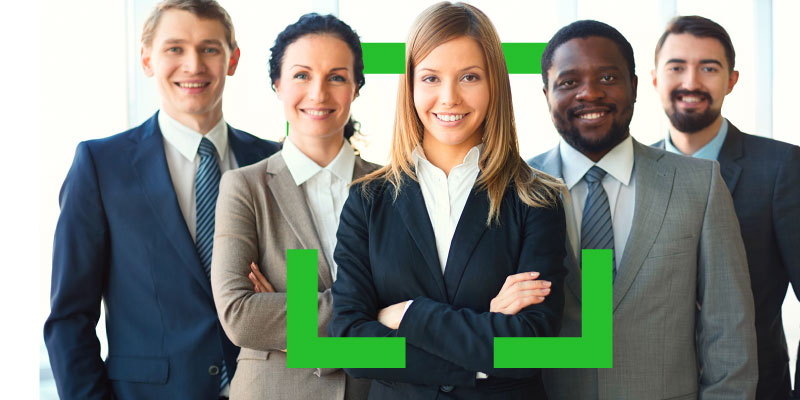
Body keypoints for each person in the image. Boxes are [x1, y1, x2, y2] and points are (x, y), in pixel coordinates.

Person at [328, 2, 567, 399]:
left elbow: (528, 348)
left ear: (494, 84)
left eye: (469, 77)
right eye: (431, 78)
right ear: (410, 86)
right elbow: (354, 347)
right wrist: (483, 343)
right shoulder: (367, 201)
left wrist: (408, 314)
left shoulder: (536, 198)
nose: (449, 97)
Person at [43, 1, 280, 399]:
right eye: (175, 48)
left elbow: (306, 291)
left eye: (209, 48)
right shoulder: (101, 166)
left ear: (233, 59)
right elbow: (69, 319)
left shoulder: (274, 161)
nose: (193, 65)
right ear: (147, 59)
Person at [527, 20, 757, 399]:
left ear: (634, 86)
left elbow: (728, 327)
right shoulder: (514, 188)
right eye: (568, 82)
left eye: (607, 77)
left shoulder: (699, 183)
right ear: (546, 94)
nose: (590, 93)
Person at [210, 13, 375, 400]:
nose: (318, 93)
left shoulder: (390, 187)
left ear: (356, 88)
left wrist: (293, 328)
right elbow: (239, 315)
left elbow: (415, 309)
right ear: (278, 85)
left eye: (337, 77)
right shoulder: (245, 187)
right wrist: (374, 313)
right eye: (302, 75)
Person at [650, 15, 800, 400]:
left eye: (709, 68)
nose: (691, 82)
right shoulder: (632, 173)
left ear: (731, 80)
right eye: (676, 67)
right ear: (653, 79)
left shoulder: (781, 168)